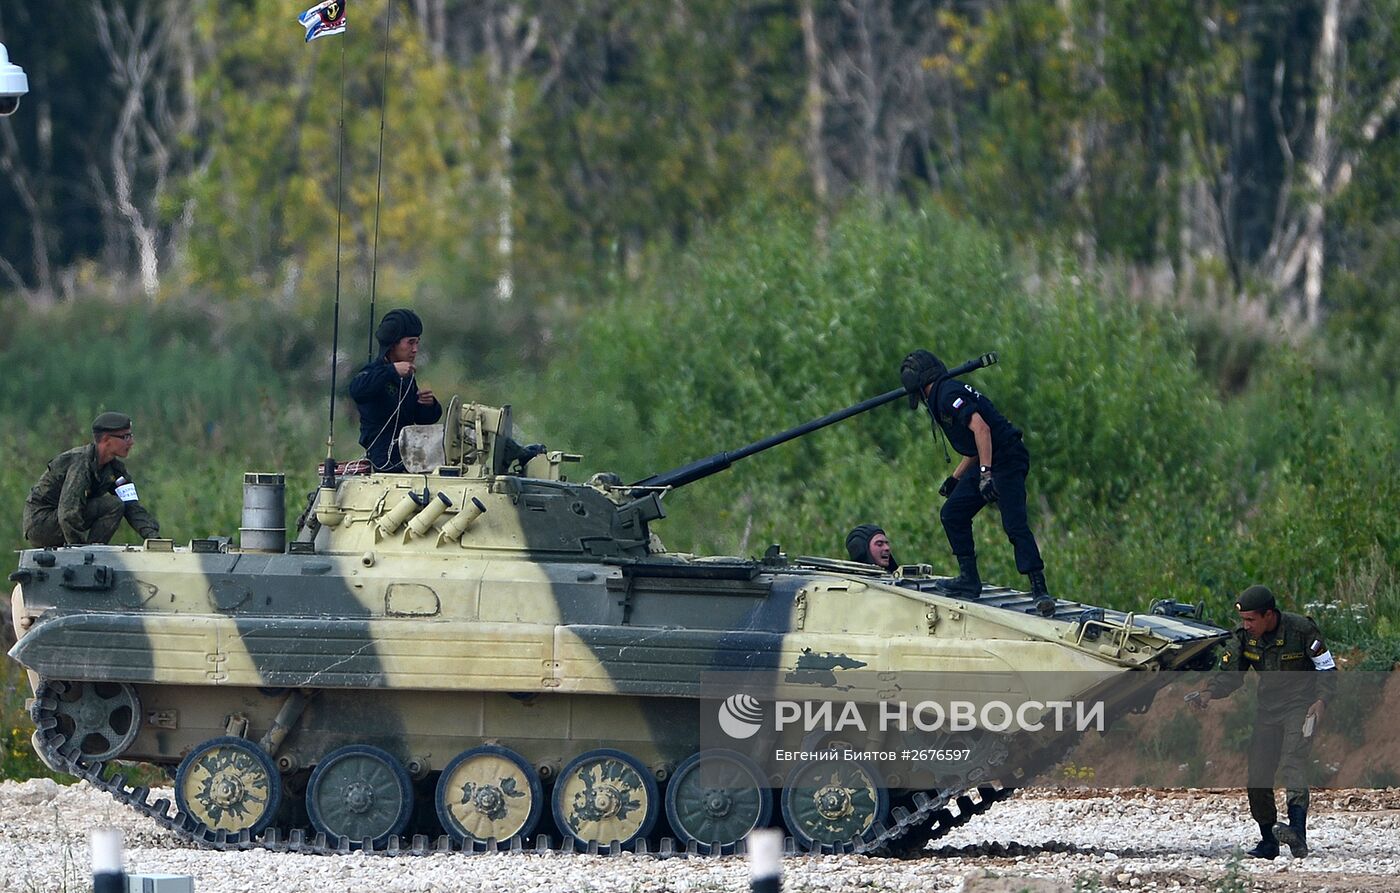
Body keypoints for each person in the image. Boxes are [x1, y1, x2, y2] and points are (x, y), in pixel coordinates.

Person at [900, 349, 1054, 615]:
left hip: (1006, 458)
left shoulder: (947, 395)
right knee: (952, 513)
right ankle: (969, 579)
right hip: (989, 458)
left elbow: (982, 429)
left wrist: (985, 475)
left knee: (1014, 524)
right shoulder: (944, 393)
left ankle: (1039, 589)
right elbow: (974, 446)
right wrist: (955, 478)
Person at [1190, 584, 1336, 859]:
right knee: (1258, 774)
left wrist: (1322, 701)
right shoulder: (1245, 638)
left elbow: (1327, 669)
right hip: (1268, 710)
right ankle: (1269, 839)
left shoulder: (1301, 630)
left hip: (1300, 706)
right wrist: (1209, 693)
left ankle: (1297, 832)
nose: (1246, 626)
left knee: (1293, 761)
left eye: (1251, 619)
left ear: (1269, 615)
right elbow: (1231, 674)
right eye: (1243, 620)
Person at [23, 412, 161, 547]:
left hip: (61, 520)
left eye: (131, 436)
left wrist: (155, 539)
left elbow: (131, 506)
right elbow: (68, 513)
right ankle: (90, 552)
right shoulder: (81, 463)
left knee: (118, 504)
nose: (131, 442)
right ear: (107, 439)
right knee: (113, 505)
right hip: (41, 524)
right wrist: (79, 552)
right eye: (125, 437)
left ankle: (94, 550)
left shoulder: (115, 470)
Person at [350, 308, 443, 472]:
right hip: (382, 461)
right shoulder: (373, 372)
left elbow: (419, 419)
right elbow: (357, 390)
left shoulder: (407, 378)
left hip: (410, 457)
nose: (415, 349)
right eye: (410, 342)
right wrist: (391, 371)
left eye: (417, 342)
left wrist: (427, 404)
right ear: (393, 344)